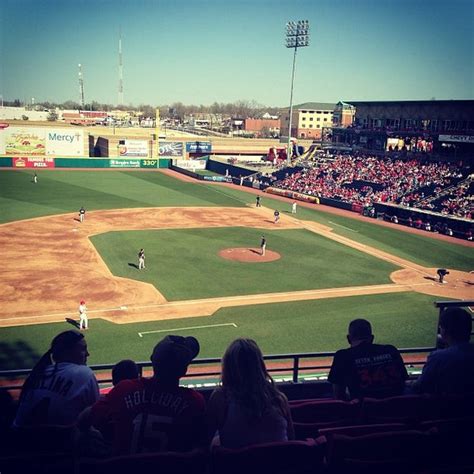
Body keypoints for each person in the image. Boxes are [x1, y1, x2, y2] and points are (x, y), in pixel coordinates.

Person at [80, 335, 206, 455]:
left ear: (152, 359)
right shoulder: (194, 401)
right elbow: (202, 444)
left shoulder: (124, 389)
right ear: (184, 370)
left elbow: (83, 420)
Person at [206, 338, 294, 448]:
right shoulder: (280, 399)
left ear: (228, 366)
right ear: (259, 365)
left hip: (237, 465)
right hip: (276, 464)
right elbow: (291, 439)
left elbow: (204, 441)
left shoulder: (220, 398)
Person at [14, 330, 99, 427]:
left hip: (20, 436)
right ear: (68, 352)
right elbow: (95, 412)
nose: (88, 354)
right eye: (83, 349)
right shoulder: (84, 373)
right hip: (59, 438)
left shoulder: (38, 372)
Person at [328, 319, 408, 400]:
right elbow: (402, 384)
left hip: (363, 410)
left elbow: (338, 395)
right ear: (372, 338)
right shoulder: (391, 350)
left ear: (348, 339)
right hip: (396, 409)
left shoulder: (342, 356)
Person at [412, 308, 474, 395]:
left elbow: (420, 386)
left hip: (446, 406)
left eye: (441, 327)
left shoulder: (438, 357)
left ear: (444, 331)